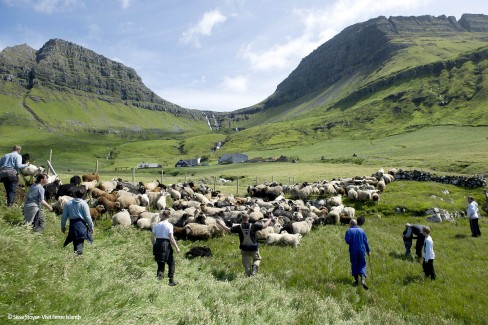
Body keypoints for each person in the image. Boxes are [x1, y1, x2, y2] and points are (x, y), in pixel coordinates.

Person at [61, 188, 94, 255]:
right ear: (83, 195)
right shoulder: (84, 204)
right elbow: (87, 217)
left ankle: (76, 255)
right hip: (81, 225)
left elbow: (64, 216)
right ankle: (78, 255)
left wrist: (63, 226)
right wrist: (91, 226)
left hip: (72, 225)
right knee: (80, 241)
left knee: (75, 240)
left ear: (75, 194)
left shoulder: (68, 203)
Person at [151, 210, 180, 286]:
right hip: (166, 244)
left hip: (157, 243)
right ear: (169, 216)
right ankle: (171, 281)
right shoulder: (169, 225)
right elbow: (171, 238)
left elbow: (152, 238)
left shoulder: (156, 225)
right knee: (171, 263)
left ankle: (158, 282)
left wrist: (155, 245)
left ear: (162, 216)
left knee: (160, 264)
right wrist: (177, 247)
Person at [345, 219, 371, 290]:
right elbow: (365, 241)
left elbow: (347, 241)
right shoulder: (362, 230)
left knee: (354, 264)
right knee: (362, 264)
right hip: (362, 250)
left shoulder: (349, 231)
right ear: (356, 224)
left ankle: (356, 280)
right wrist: (368, 250)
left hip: (353, 250)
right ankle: (362, 279)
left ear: (350, 224)